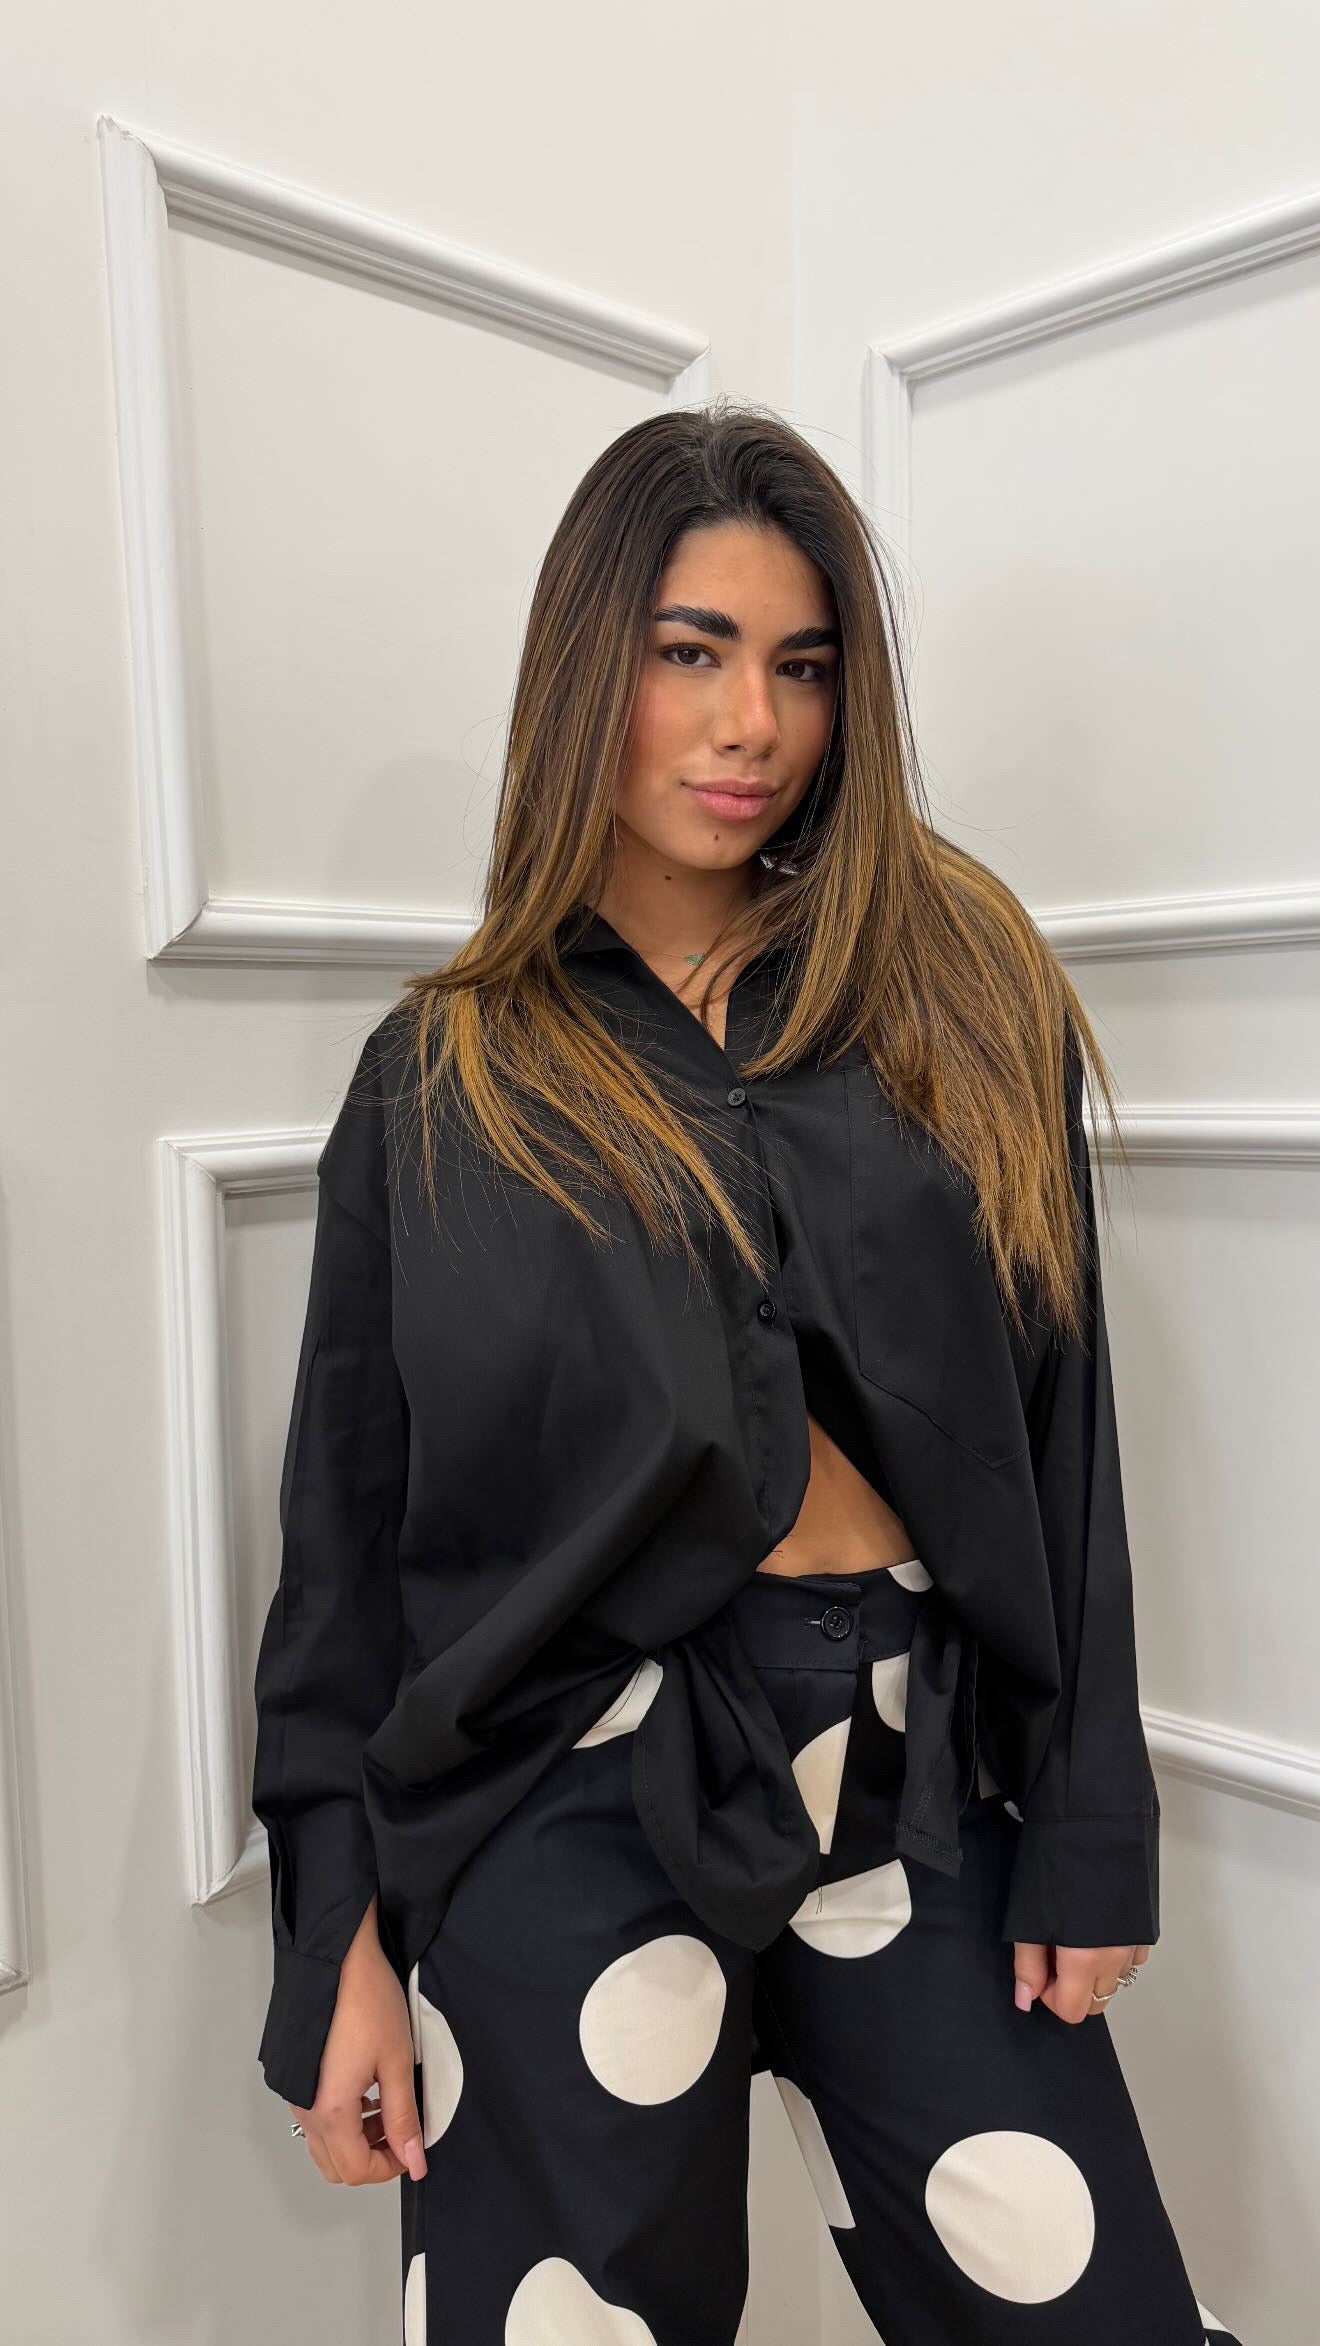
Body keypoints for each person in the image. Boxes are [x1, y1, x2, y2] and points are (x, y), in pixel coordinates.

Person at [251, 400, 1240, 2345]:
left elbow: (1063, 1436)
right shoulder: (446, 1075)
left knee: (1082, 2301)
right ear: (585, 670)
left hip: (912, 1766)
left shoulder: (954, 989)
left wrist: (1085, 1821)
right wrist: (335, 1939)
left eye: (802, 665)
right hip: (562, 1786)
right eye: (690, 652)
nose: (750, 725)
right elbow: (346, 1545)